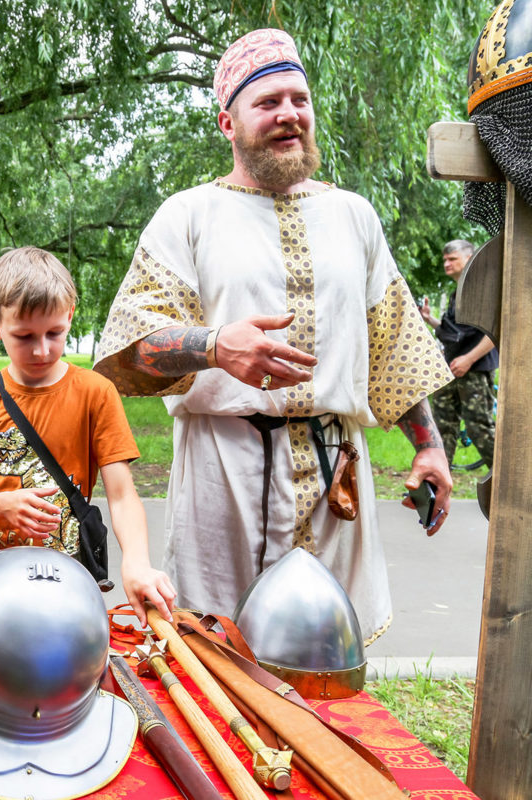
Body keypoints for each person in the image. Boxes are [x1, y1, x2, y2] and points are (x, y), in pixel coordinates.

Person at [93, 28, 454, 643]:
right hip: (223, 473)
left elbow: (394, 347)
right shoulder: (188, 215)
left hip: (335, 466)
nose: (289, 114)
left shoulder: (353, 216)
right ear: (227, 123)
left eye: (299, 100)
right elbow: (130, 349)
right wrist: (213, 347)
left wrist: (428, 445)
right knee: (221, 653)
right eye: (267, 103)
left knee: (329, 661)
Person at [0, 247, 174, 624]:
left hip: (68, 592)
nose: (41, 349)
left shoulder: (96, 393)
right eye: (24, 336)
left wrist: (136, 560)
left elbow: (122, 494)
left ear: (70, 316)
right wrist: (3, 505)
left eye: (55, 332)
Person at [419, 240, 496, 471]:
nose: (446, 263)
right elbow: (454, 333)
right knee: (443, 426)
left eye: (452, 259)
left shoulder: (483, 290)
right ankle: (438, 481)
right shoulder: (458, 292)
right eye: (445, 259)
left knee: (478, 428)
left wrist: (469, 359)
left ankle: (508, 484)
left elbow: (496, 332)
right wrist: (429, 319)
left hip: (474, 369)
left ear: (470, 258)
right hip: (451, 369)